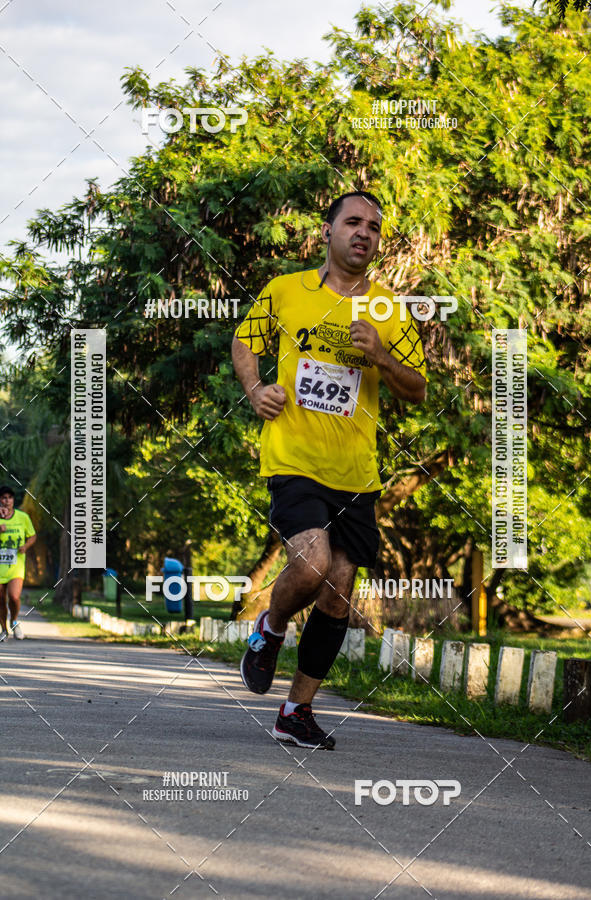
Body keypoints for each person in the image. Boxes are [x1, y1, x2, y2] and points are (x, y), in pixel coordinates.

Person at [232, 191, 427, 749]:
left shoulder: (390, 308)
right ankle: (270, 626)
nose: (363, 233)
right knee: (313, 563)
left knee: (339, 589)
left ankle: (296, 712)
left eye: (373, 226)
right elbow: (244, 345)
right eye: (353, 222)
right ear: (328, 230)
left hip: (357, 472)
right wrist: (255, 390)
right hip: (294, 457)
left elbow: (418, 389)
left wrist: (383, 358)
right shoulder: (286, 291)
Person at [0, 485, 36, 640]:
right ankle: (3, 629)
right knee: (0, 600)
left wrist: (26, 546)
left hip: (16, 566)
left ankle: (14, 622)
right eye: (3, 498)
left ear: (13, 500)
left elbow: (33, 536)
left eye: (9, 497)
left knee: (14, 597)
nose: (7, 501)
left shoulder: (22, 517)